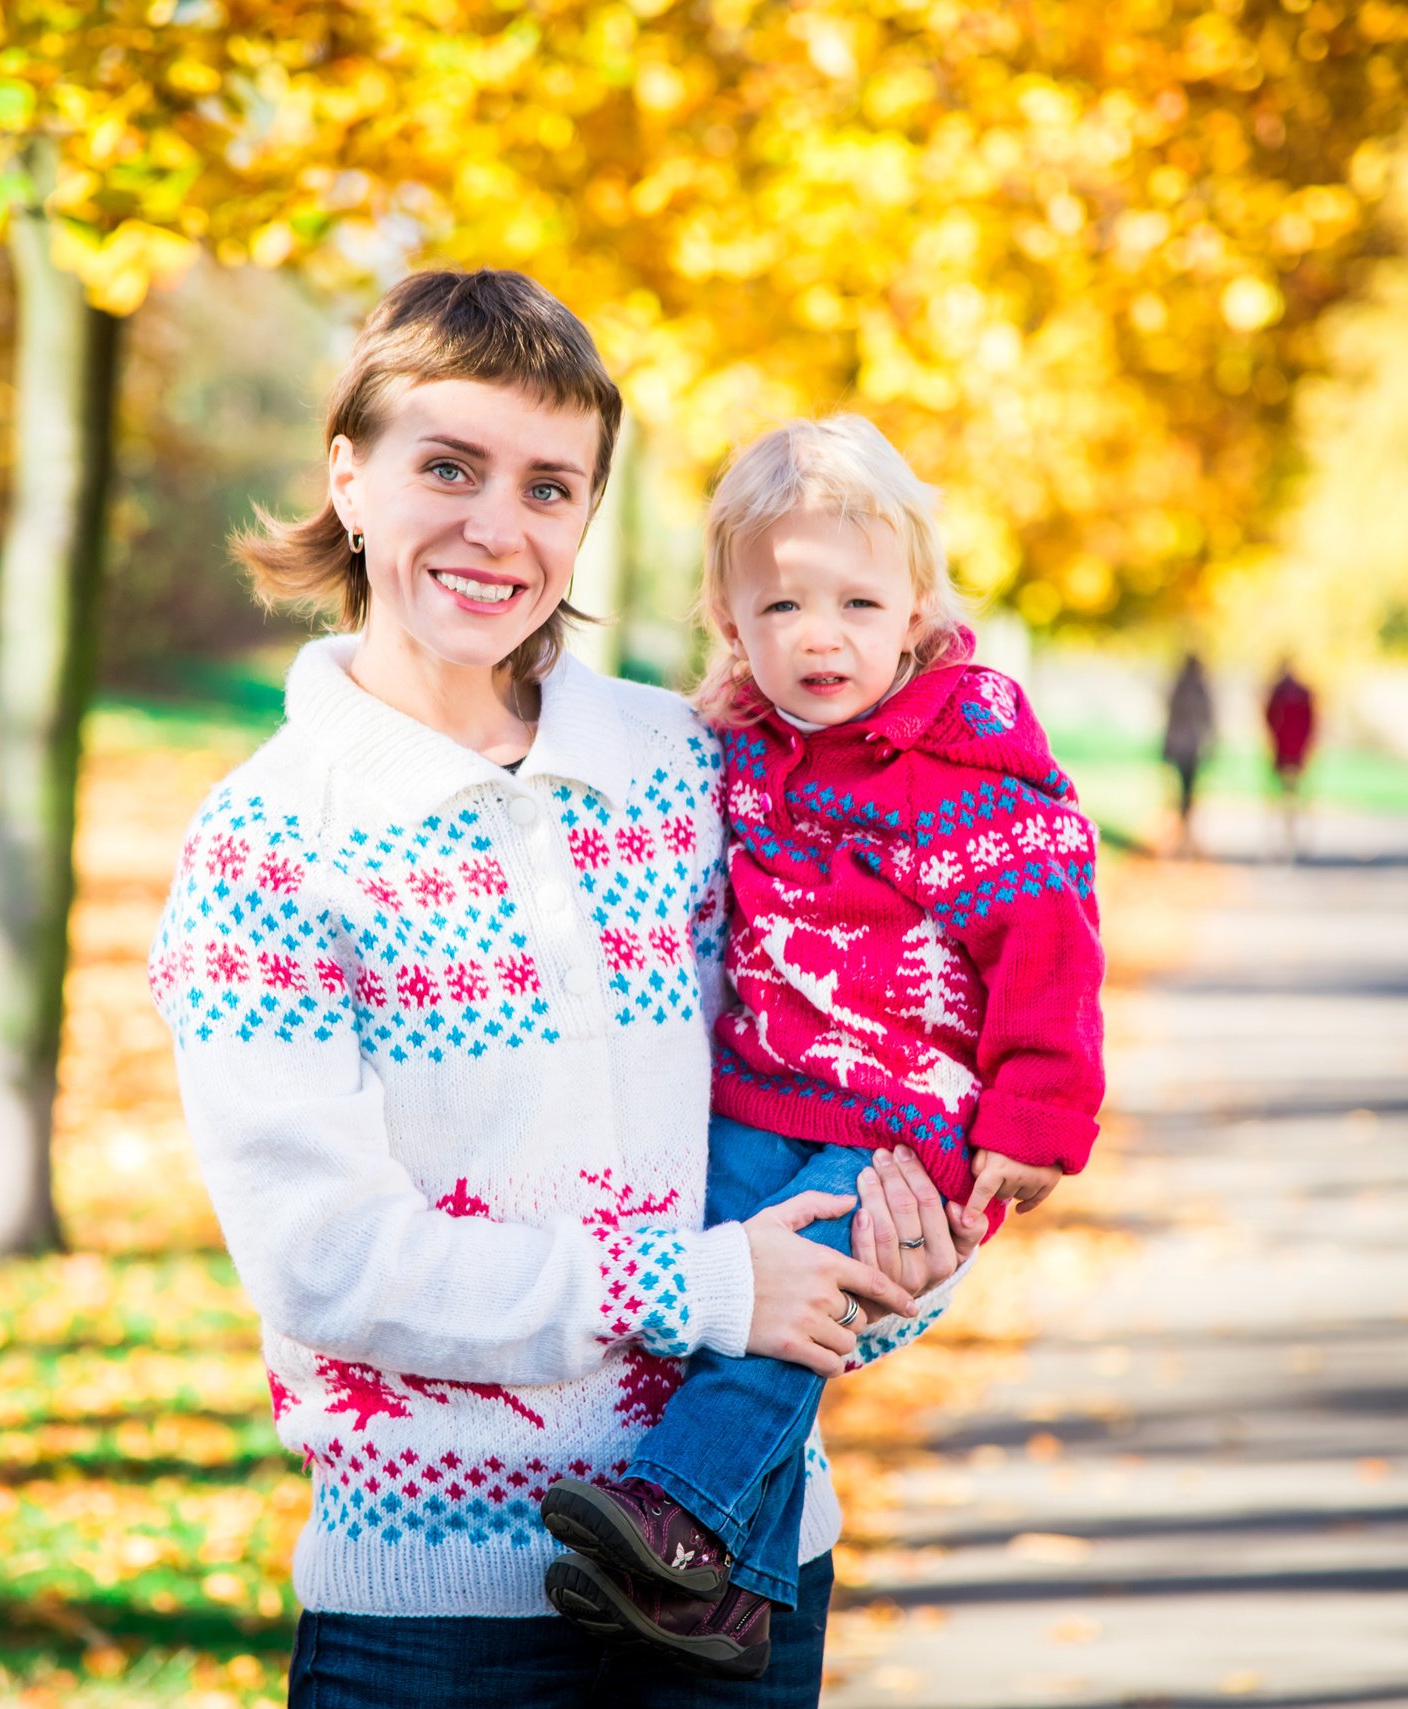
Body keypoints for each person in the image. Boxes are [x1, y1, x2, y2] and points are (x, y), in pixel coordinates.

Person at [146, 272, 955, 1708]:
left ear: (585, 517)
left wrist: (895, 1253)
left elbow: (851, 1058)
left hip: (742, 1579)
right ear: (350, 474)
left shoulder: (692, 768)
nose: (495, 528)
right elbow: (325, 1258)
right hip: (438, 1619)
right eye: (447, 466)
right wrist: (705, 1288)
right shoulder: (267, 848)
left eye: (548, 485)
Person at [536, 416, 1107, 1676]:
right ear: (732, 620)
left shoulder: (970, 775)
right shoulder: (735, 750)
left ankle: (678, 1517)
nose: (819, 633)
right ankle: (737, 1594)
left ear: (915, 609)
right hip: (758, 1092)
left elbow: (1051, 949)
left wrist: (1035, 1122)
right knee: (723, 1300)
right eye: (779, 602)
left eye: (856, 600)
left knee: (792, 1309)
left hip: (905, 1125)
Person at [1161, 651, 1215, 857]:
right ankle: (1183, 833)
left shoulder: (1191, 688)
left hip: (1188, 746)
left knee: (1186, 791)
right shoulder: (1190, 688)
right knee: (1184, 791)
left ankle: (1186, 833)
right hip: (1188, 745)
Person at [1263, 659, 1318, 861]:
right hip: (1293, 748)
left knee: (1287, 796)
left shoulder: (1279, 692)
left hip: (1287, 748)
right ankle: (1289, 836)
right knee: (1291, 795)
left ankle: (1289, 836)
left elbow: (1269, 718)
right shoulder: (1298, 693)